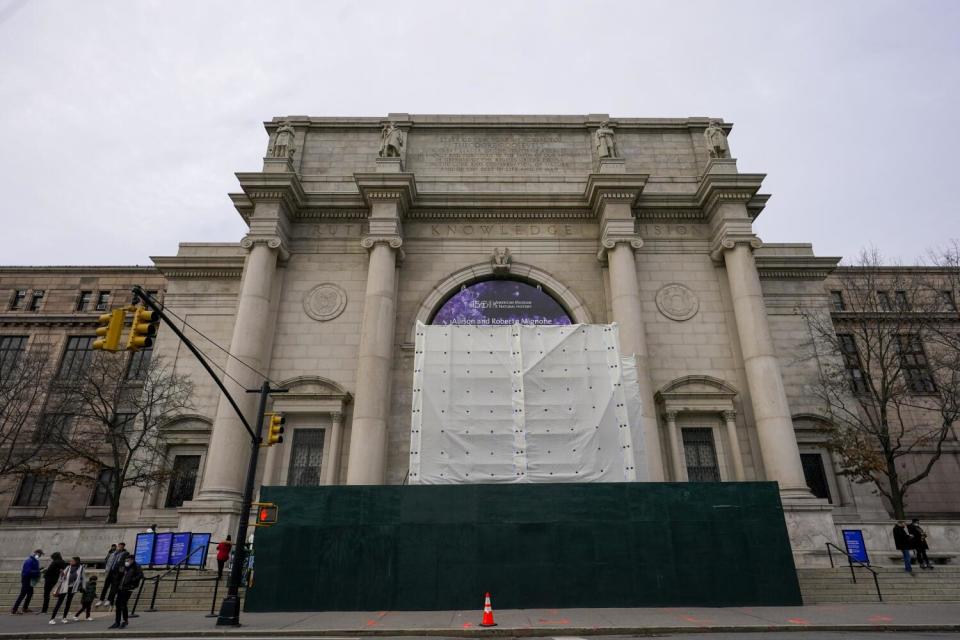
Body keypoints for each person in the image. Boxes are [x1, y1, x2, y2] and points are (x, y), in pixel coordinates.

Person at [109, 555, 143, 629]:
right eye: (126, 560)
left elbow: (140, 575)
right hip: (121, 587)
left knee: (123, 604)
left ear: (132, 560)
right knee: (118, 604)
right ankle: (117, 622)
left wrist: (132, 581)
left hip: (128, 588)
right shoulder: (124, 566)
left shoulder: (136, 566)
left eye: (128, 560)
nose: (126, 562)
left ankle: (125, 620)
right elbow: (119, 575)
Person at [49, 556, 86, 624]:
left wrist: (83, 587)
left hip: (72, 588)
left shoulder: (81, 568)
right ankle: (52, 619)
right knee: (59, 602)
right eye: (70, 561)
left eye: (72, 561)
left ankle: (64, 618)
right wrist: (62, 574)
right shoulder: (68, 567)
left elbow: (83, 578)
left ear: (76, 561)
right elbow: (61, 578)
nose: (70, 562)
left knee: (68, 603)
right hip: (64, 587)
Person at [11, 549, 42, 614]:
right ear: (35, 553)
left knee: (30, 594)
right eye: (39, 554)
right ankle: (14, 609)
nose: (39, 556)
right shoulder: (29, 561)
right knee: (22, 594)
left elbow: (34, 569)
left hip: (31, 579)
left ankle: (25, 608)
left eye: (40, 555)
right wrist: (38, 572)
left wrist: (40, 570)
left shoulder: (35, 561)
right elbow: (28, 571)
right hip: (26, 579)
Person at [102, 541, 129, 607]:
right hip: (110, 571)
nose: (120, 547)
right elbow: (108, 560)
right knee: (106, 585)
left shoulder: (125, 553)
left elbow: (125, 563)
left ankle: (109, 600)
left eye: (121, 546)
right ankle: (102, 599)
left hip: (117, 572)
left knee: (114, 587)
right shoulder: (113, 553)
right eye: (119, 546)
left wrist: (122, 571)